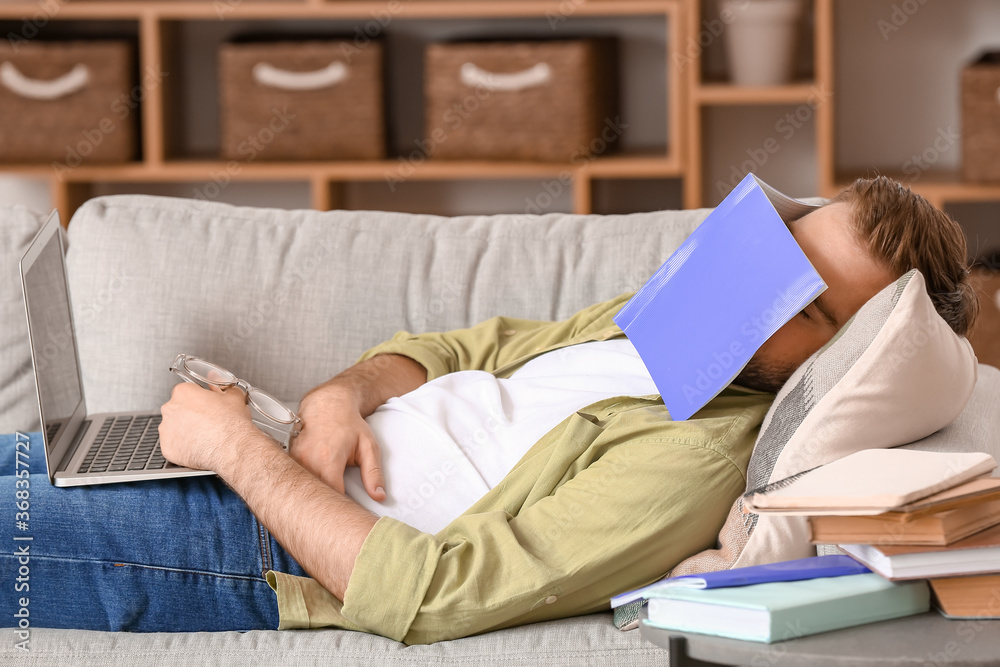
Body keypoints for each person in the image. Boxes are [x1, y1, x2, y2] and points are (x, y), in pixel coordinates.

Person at [1, 176, 978, 643]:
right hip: (275, 454)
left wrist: (236, 454)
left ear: (845, 359)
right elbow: (466, 350)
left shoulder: (697, 460)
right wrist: (341, 396)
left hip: (251, 542)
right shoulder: (673, 331)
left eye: (811, 310)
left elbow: (433, 594)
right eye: (780, 260)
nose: (761, 301)